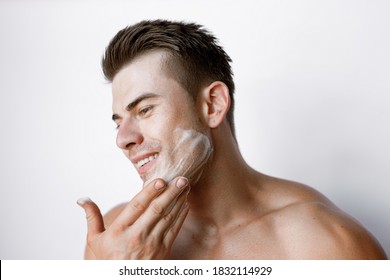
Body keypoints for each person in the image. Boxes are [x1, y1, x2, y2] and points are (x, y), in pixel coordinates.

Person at [77, 19, 387, 259]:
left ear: (212, 105)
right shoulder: (116, 240)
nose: (123, 139)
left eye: (144, 110)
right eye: (118, 122)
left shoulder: (324, 243)